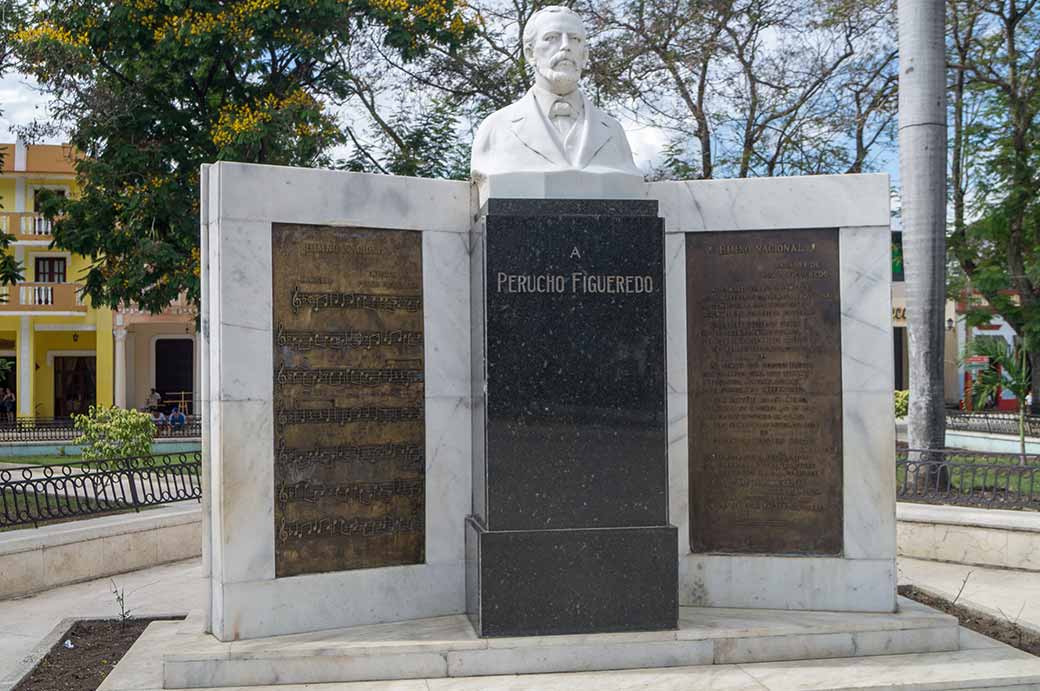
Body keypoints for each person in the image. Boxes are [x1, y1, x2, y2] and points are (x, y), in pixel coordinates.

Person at [469, 6, 641, 181]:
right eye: (551, 38)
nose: (565, 46)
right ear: (530, 53)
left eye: (574, 39)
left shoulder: (614, 132)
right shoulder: (496, 129)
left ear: (585, 55)